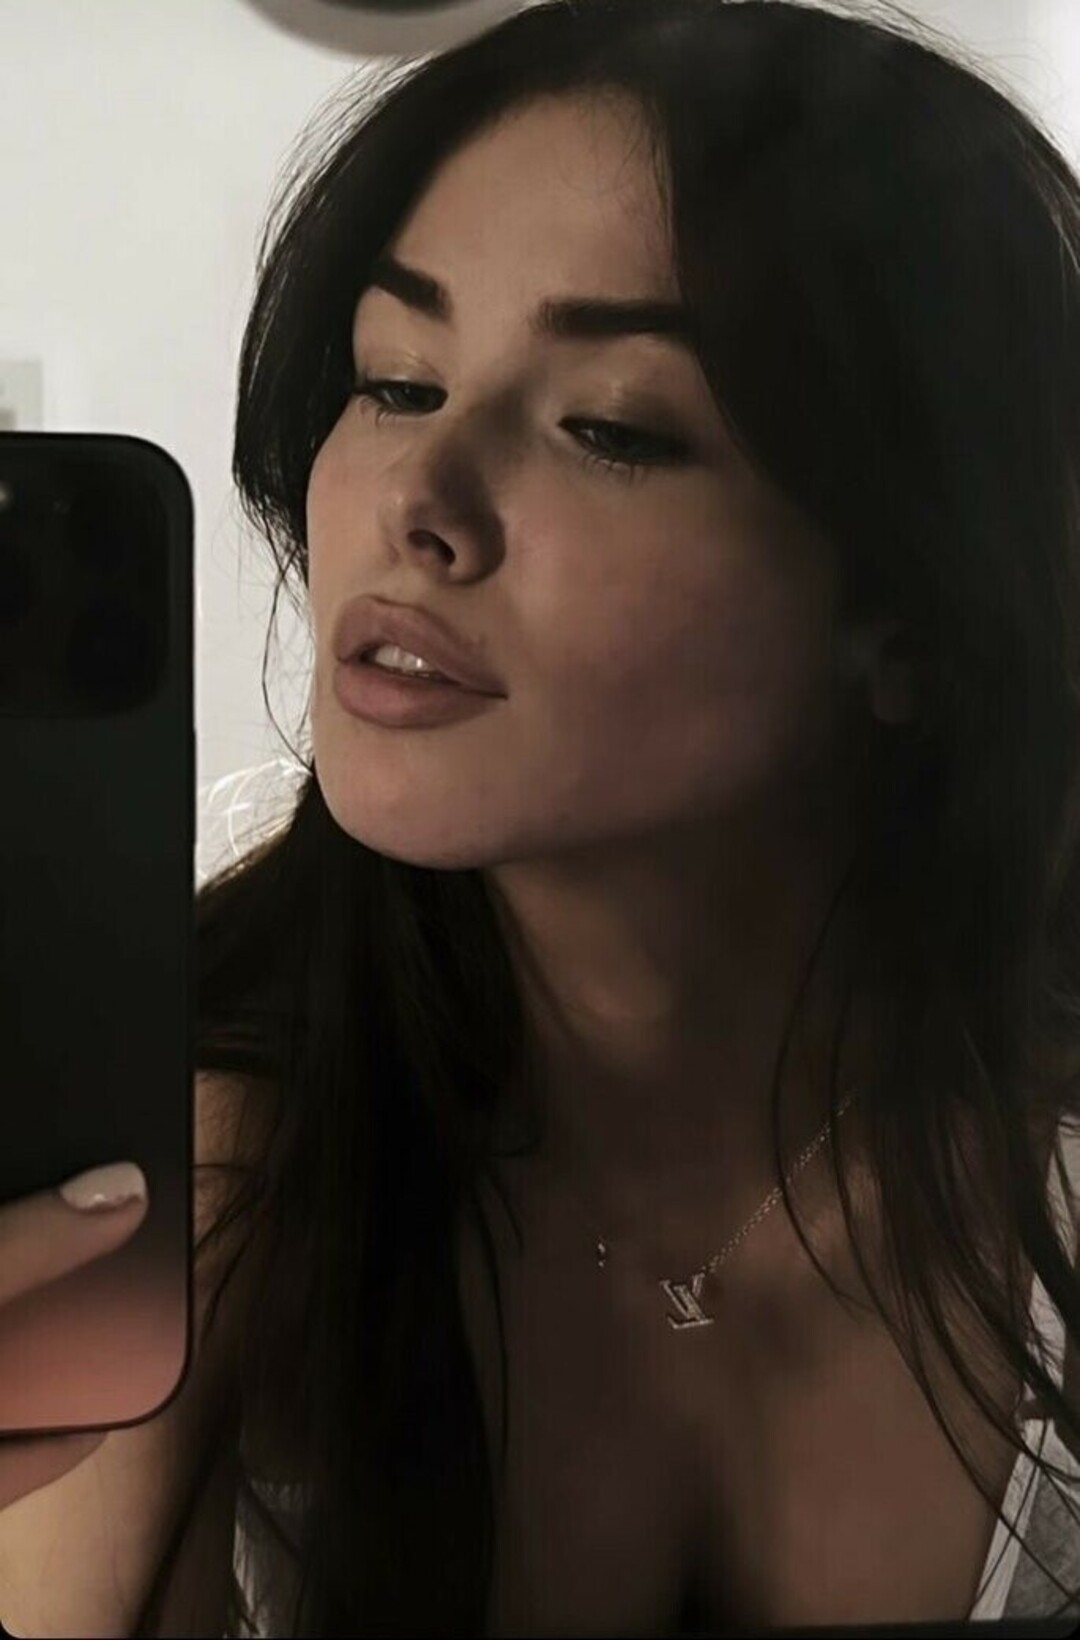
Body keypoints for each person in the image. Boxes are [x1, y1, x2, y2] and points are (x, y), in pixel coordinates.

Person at [2, 0, 1080, 1633]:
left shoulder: (1040, 1191)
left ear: (918, 611)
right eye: (395, 380)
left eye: (610, 428)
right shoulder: (197, 1170)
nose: (416, 503)